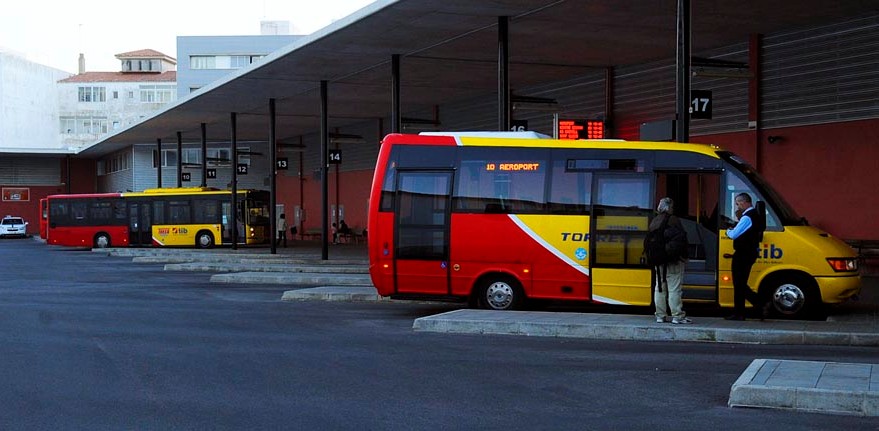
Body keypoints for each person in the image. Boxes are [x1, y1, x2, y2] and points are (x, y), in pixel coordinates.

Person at [724, 193, 770, 320]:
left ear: (744, 202)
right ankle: (755, 305)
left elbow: (734, 234)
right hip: (748, 253)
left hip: (743, 254)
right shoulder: (753, 215)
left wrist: (728, 230)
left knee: (739, 283)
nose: (737, 206)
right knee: (741, 283)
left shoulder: (747, 217)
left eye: (738, 203)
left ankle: (745, 310)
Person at [648, 197, 691, 324]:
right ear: (669, 207)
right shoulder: (673, 220)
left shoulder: (654, 221)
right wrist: (684, 257)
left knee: (659, 288)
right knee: (674, 288)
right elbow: (682, 240)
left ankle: (660, 315)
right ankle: (677, 316)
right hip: (673, 260)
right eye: (672, 207)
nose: (673, 209)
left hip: (658, 260)